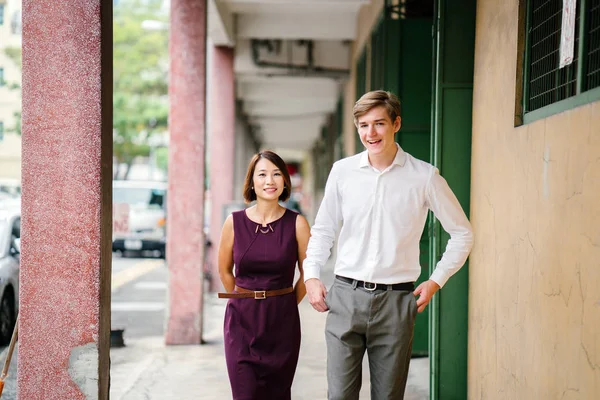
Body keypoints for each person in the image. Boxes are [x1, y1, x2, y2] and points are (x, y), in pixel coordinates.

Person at [303, 90, 474, 399]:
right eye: (364, 125)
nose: (371, 133)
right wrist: (312, 275)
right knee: (339, 396)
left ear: (396, 123)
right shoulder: (342, 172)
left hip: (396, 303)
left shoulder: (424, 177)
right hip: (344, 297)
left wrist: (437, 280)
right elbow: (324, 229)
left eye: (379, 123)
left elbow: (462, 233)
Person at [217, 150, 310, 400]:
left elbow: (307, 274)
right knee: (245, 393)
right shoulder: (233, 222)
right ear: (252, 182)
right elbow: (225, 269)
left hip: (282, 321)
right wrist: (242, 298)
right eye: (262, 174)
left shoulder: (297, 223)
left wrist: (286, 302)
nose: (270, 181)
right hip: (241, 322)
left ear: (285, 182)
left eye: (277, 174)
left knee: (278, 394)